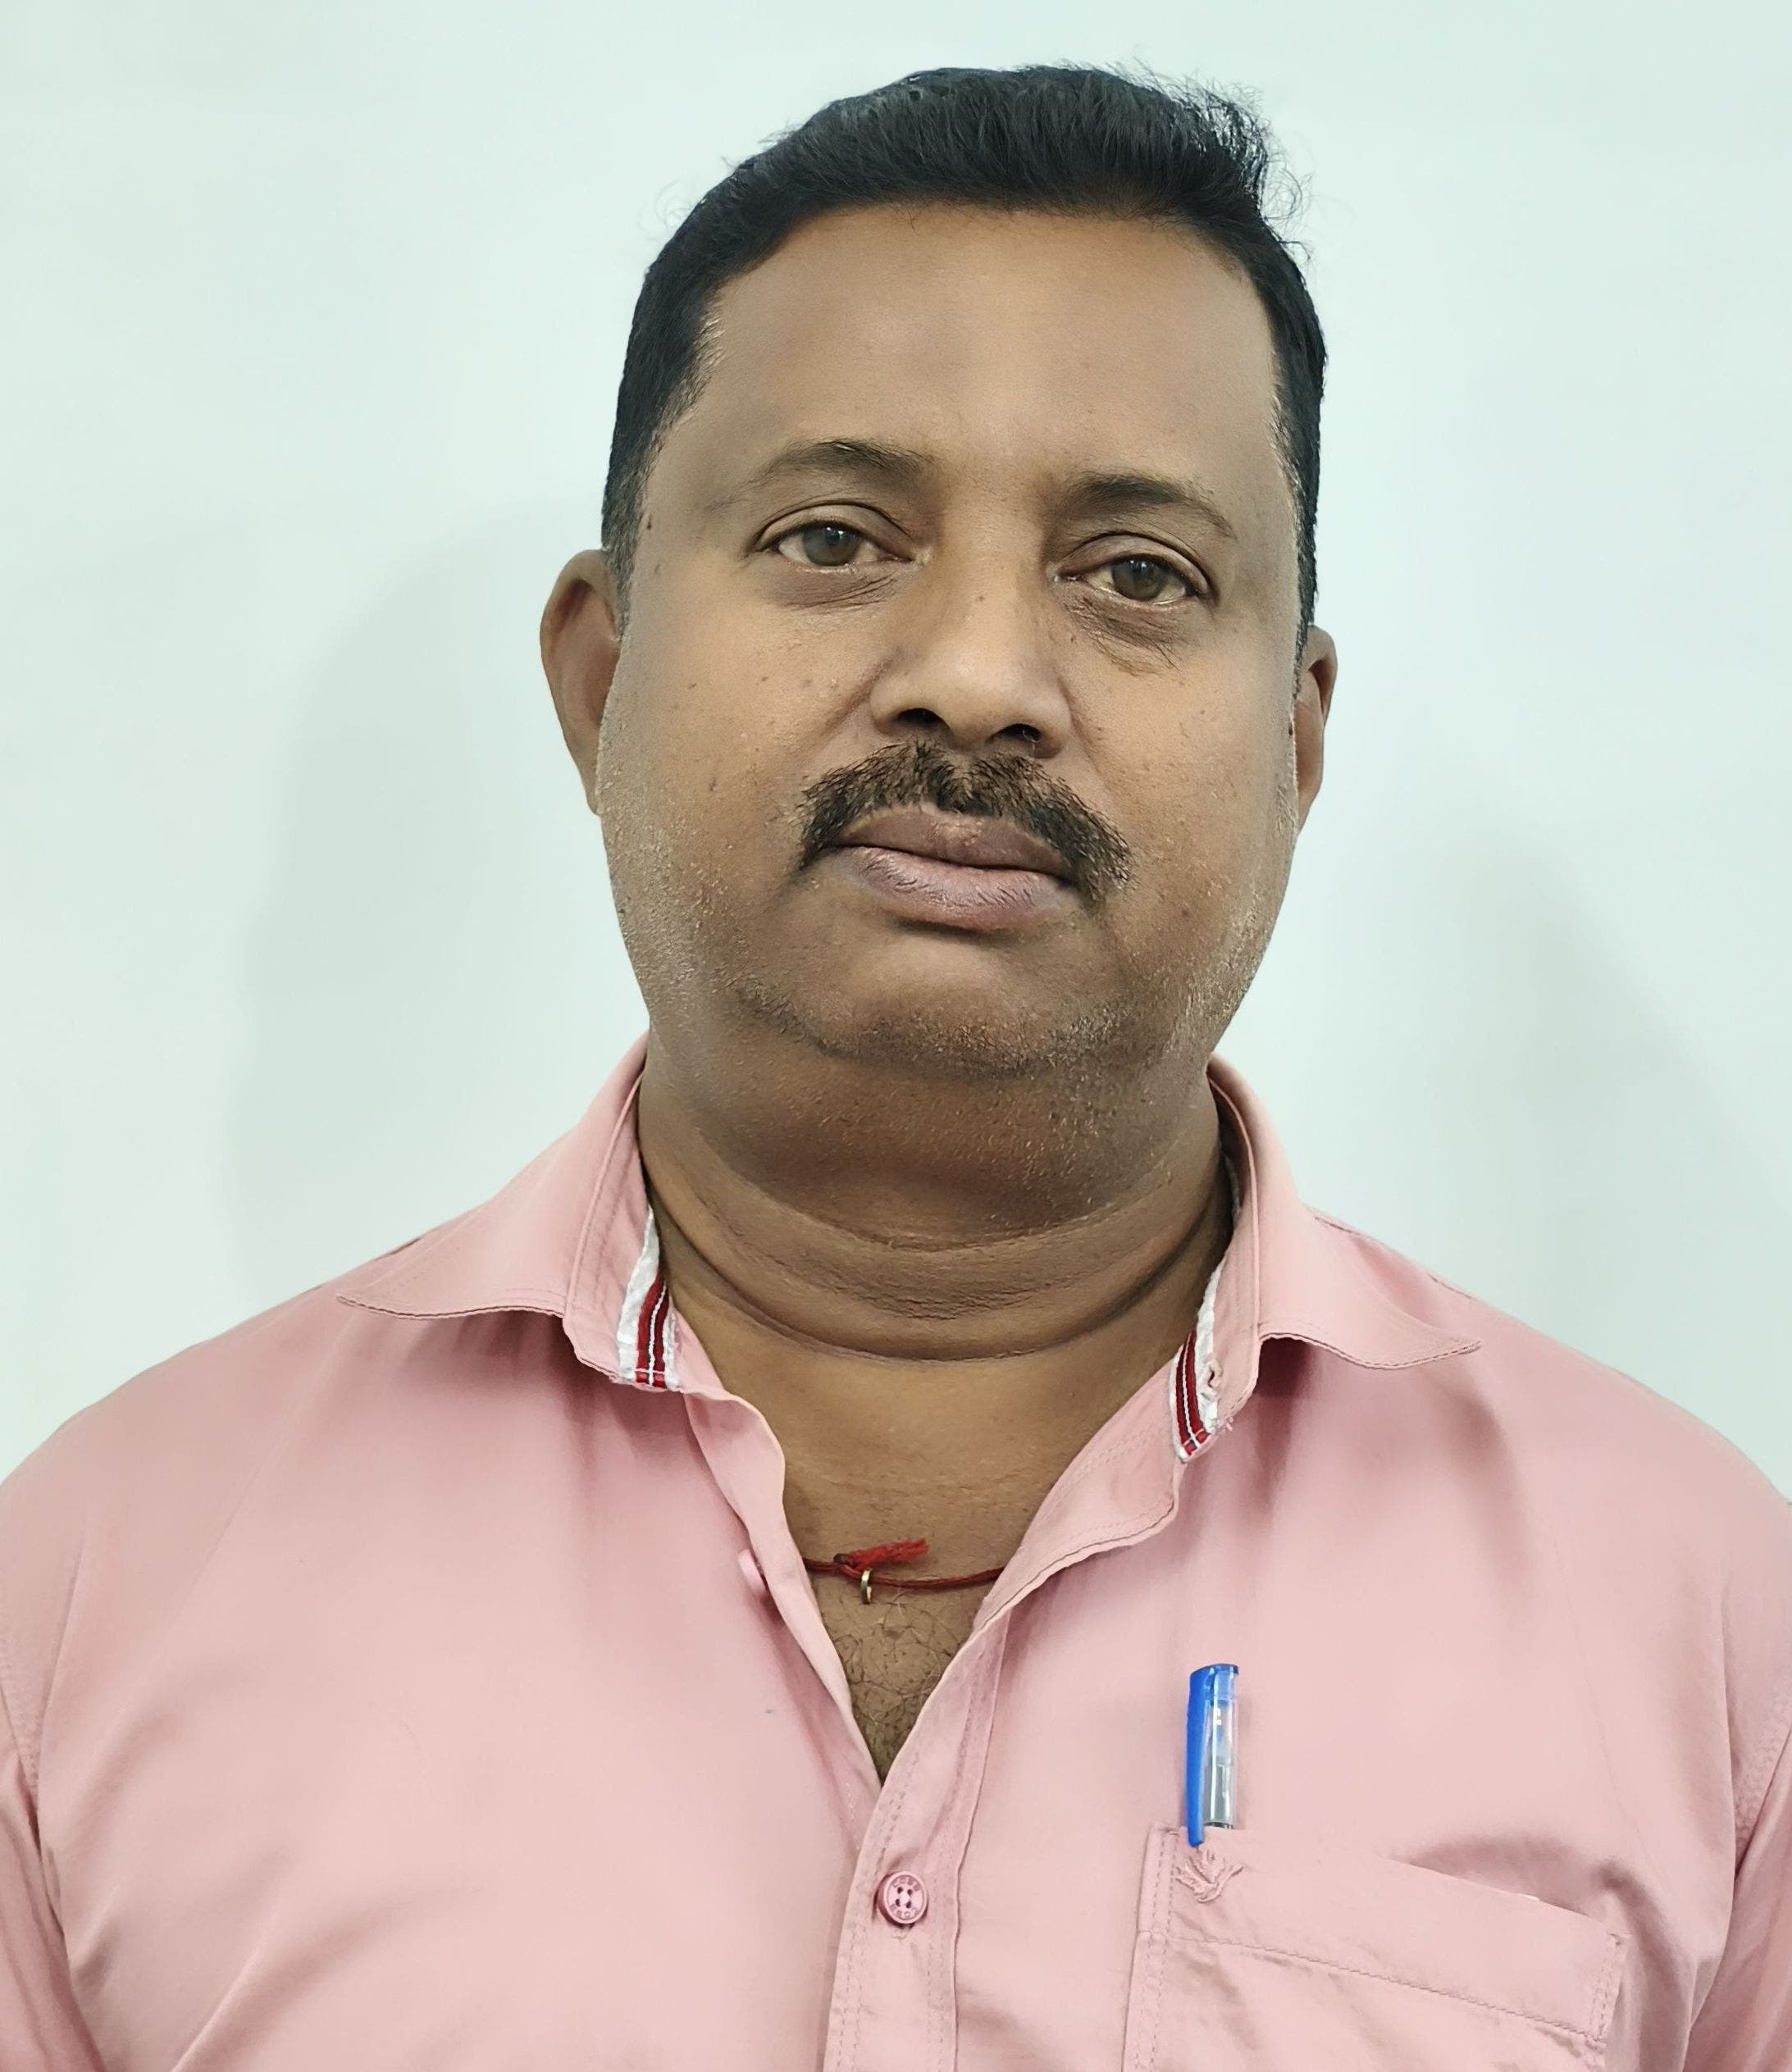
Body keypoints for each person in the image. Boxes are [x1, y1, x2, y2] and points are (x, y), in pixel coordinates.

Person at [2, 61, 1786, 2072]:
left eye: (1137, 572)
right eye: (835, 535)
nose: (979, 677)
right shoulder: (95, 1594)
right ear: (597, 675)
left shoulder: (1706, 1630)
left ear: (1296, 740)